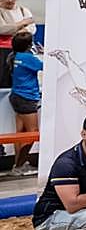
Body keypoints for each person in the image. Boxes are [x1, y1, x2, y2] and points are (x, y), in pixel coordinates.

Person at [7, 31, 41, 174]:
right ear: (29, 45)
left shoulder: (14, 56)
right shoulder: (28, 58)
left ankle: (18, 165)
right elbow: (44, 66)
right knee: (33, 133)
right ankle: (19, 166)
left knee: (20, 133)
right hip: (27, 98)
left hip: (16, 96)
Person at [0, 0, 36, 88]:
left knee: (22, 80)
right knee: (4, 81)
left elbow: (32, 28)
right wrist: (22, 23)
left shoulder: (24, 10)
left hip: (23, 51)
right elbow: (2, 29)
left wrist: (15, 30)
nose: (10, 0)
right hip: (3, 52)